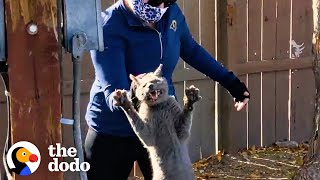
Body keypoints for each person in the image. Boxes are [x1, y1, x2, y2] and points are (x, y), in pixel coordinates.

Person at [84, 0, 250, 179]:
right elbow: (114, 93)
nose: (162, 6)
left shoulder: (171, 13)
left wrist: (231, 83)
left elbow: (192, 51)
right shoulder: (109, 25)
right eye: (155, 0)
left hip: (163, 130)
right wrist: (139, 90)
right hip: (113, 132)